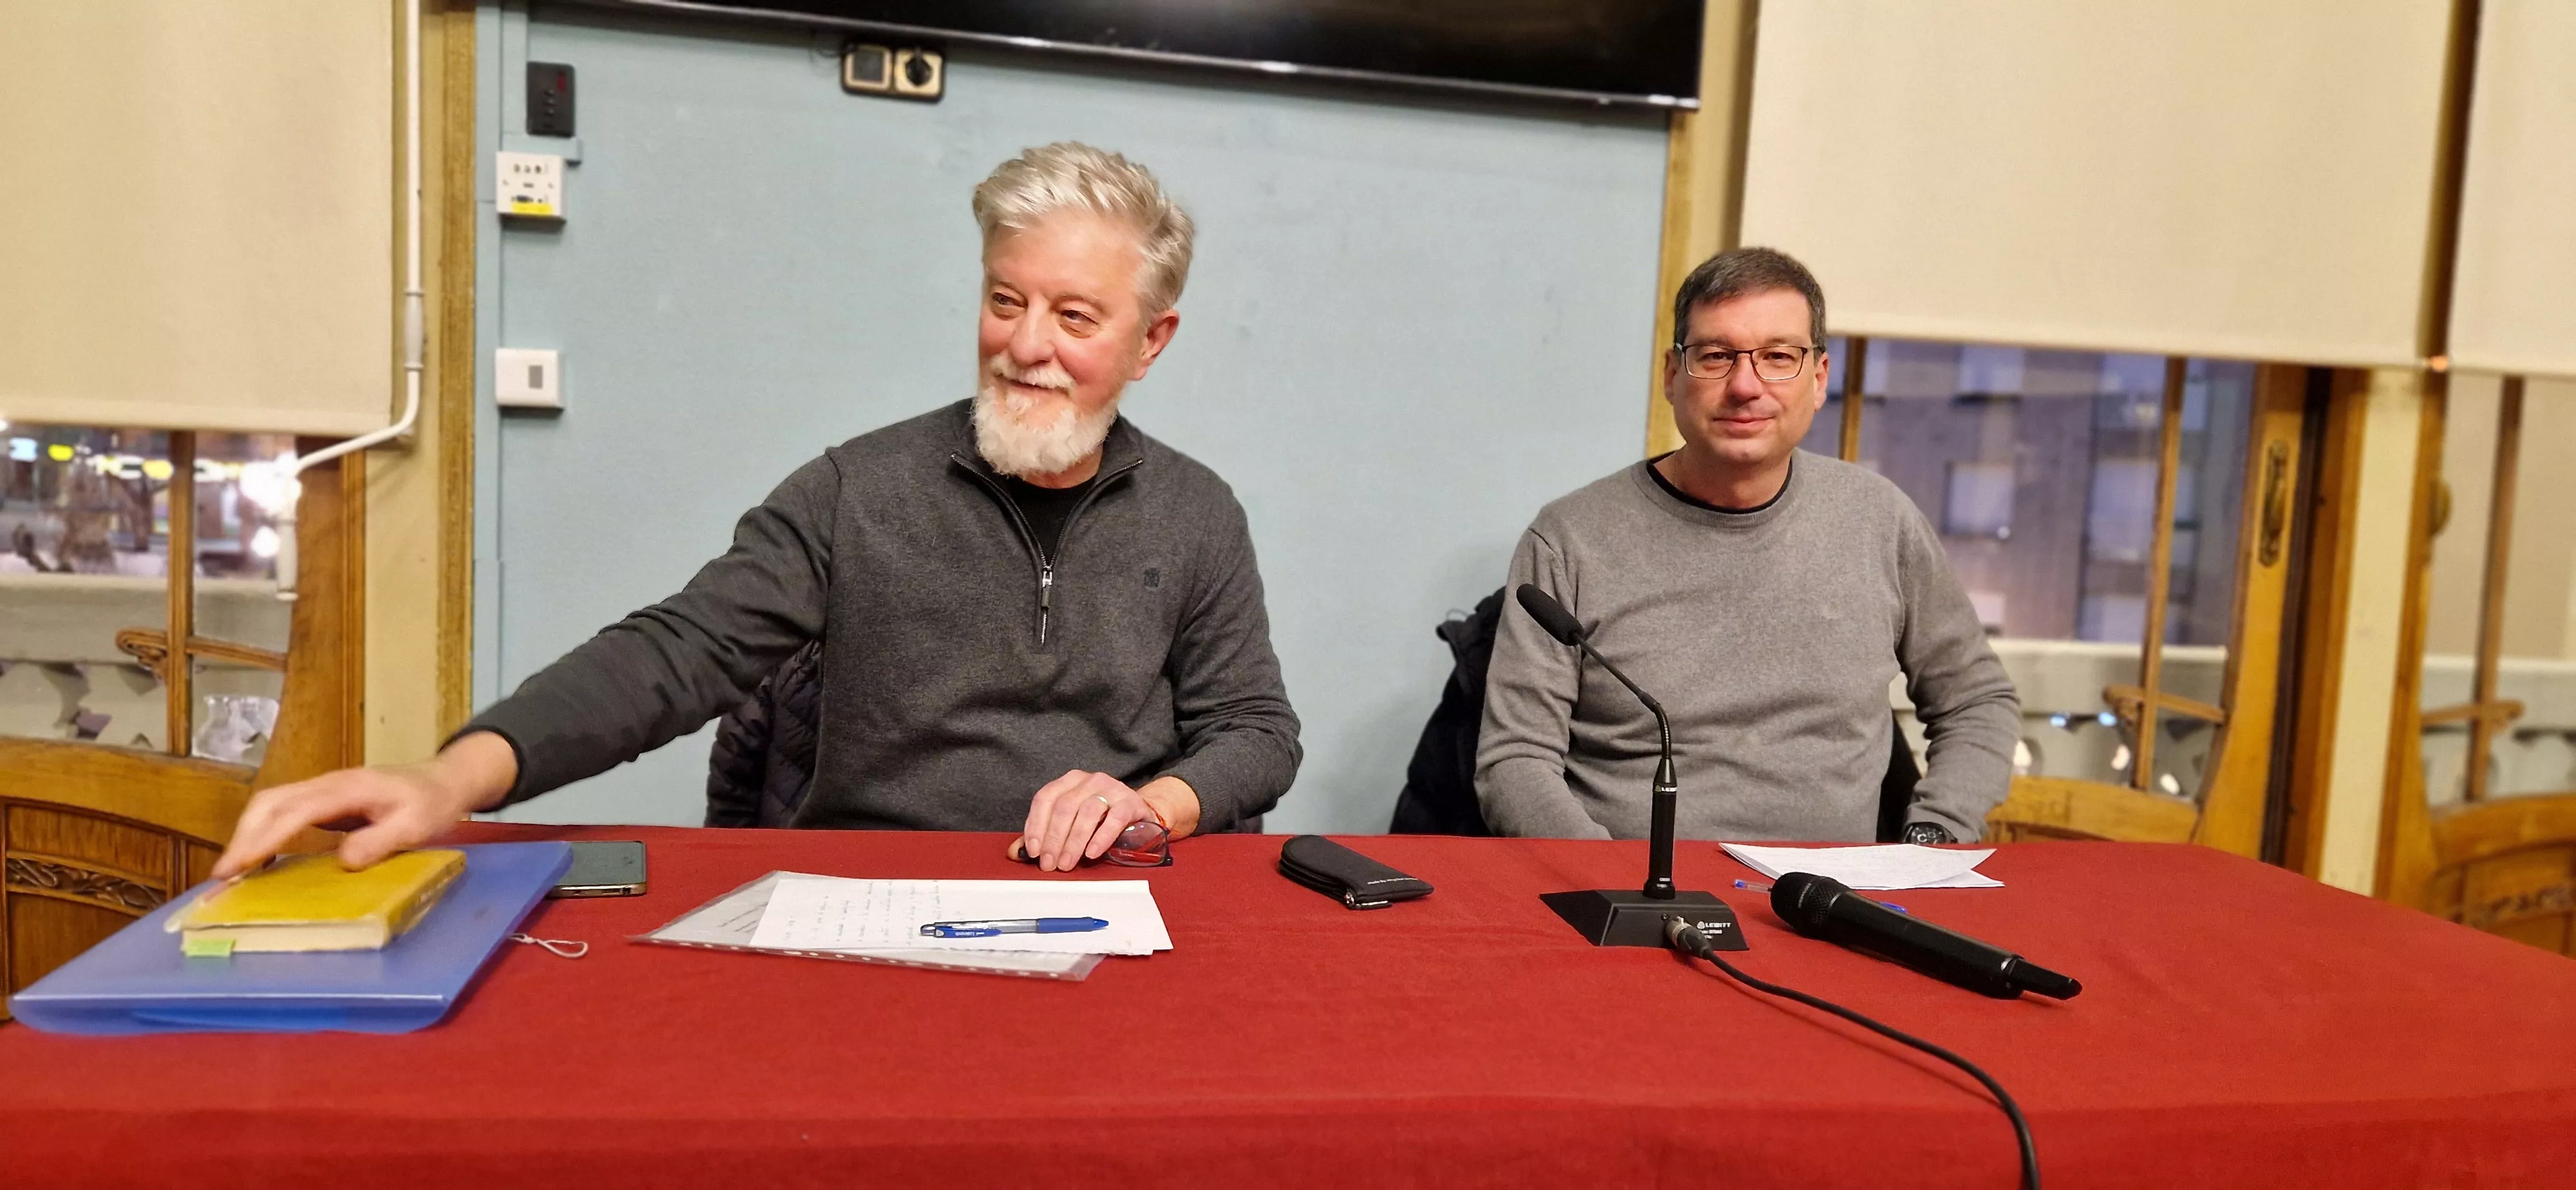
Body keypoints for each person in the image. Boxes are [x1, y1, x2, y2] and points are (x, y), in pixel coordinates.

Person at [215, 142, 1301, 877]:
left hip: (1107, 895)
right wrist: (451, 774)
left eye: (1074, 316)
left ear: (1150, 342)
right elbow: (677, 651)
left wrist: (1151, 805)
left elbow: (1255, 732)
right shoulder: (854, 489)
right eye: (1006, 300)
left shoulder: (1198, 513)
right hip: (871, 895)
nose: (1025, 345)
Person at [1476, 247, 2018, 844]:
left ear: (1818, 379)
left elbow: (1977, 700)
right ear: (1671, 375)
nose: (1745, 386)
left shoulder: (1879, 521)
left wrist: (1934, 837)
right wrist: (1609, 885)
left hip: (1833, 901)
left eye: (1777, 357)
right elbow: (1515, 761)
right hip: (1636, 898)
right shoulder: (1569, 539)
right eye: (1716, 356)